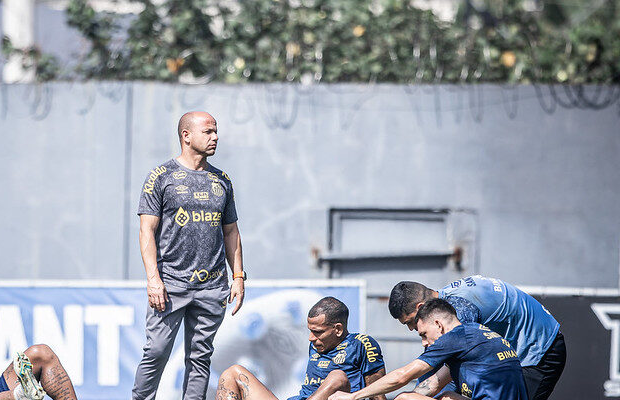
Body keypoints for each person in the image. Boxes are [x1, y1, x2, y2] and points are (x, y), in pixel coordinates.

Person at [133, 111, 246, 400]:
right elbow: (147, 231)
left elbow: (231, 232)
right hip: (171, 284)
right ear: (186, 135)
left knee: (199, 358)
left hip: (212, 286)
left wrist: (238, 277)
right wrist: (153, 280)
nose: (215, 137)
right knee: (156, 350)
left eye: (216, 131)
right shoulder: (161, 176)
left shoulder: (222, 180)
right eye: (208, 131)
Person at [387, 275, 565, 400]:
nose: (412, 329)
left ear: (420, 307)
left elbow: (437, 381)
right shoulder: (445, 304)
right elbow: (432, 370)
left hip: (540, 352)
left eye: (410, 322)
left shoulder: (460, 312)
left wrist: (409, 397)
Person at [329, 298, 527, 400]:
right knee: (445, 396)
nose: (424, 343)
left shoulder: (455, 337)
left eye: (423, 334)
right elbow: (433, 384)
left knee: (404, 399)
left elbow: (402, 376)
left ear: (439, 325)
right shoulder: (475, 334)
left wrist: (353, 396)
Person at [216, 297, 386, 400]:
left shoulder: (362, 344)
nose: (311, 338)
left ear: (338, 329)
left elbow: (378, 391)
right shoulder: (316, 344)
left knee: (337, 377)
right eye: (310, 331)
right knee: (232, 373)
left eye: (317, 332)